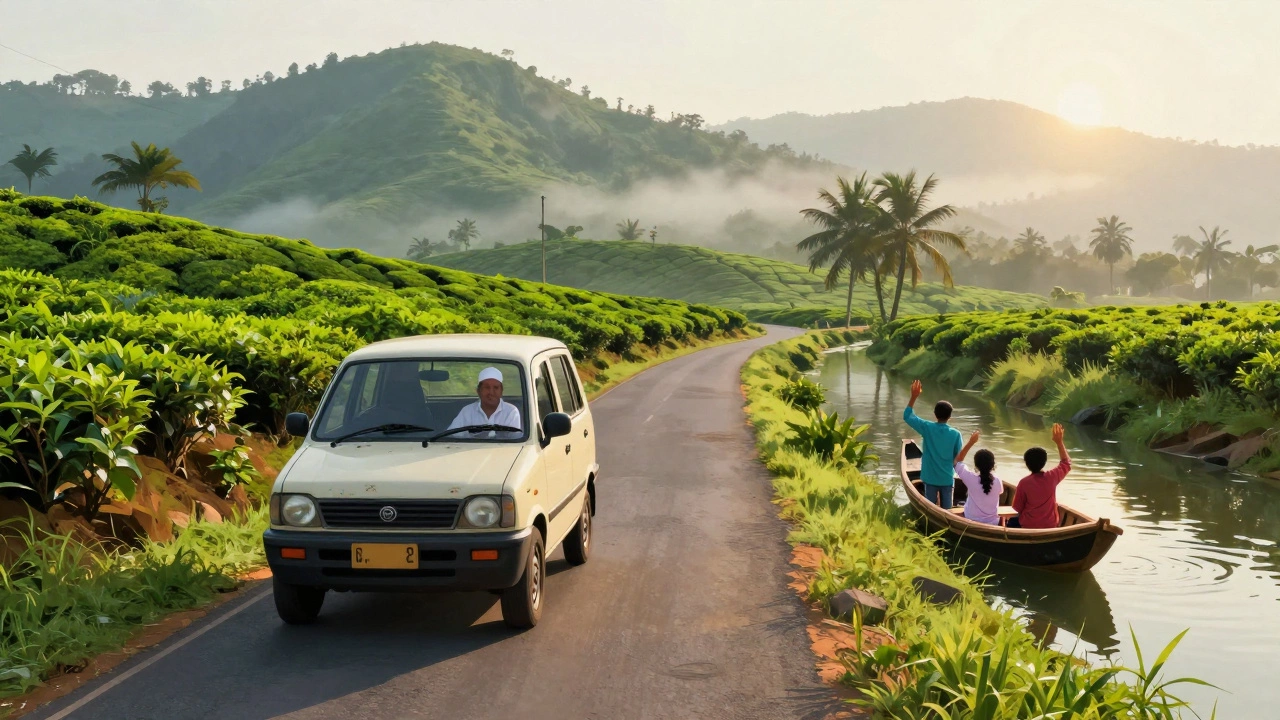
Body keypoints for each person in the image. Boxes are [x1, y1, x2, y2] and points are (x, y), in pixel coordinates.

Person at [903, 379, 963, 509]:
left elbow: (907, 416)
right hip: (947, 478)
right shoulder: (956, 434)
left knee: (930, 508)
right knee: (947, 511)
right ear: (950, 417)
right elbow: (957, 459)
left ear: (935, 414)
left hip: (929, 478)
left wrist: (913, 397)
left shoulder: (927, 427)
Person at [1009, 423, 1071, 529]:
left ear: (1027, 464)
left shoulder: (1024, 483)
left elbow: (1016, 507)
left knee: (1010, 522)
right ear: (1044, 462)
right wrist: (1059, 442)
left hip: (1028, 525)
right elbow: (1066, 463)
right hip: (1050, 524)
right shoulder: (1052, 477)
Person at [448, 367, 522, 438]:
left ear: (501, 391)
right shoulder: (467, 411)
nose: (491, 392)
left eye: (496, 388)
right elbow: (451, 436)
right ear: (478, 391)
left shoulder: (511, 411)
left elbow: (515, 441)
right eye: (487, 387)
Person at [953, 430, 1001, 525]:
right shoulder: (997, 480)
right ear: (992, 465)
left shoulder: (970, 478)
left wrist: (971, 442)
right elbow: (1000, 492)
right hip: (994, 523)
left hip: (971, 520)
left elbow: (957, 460)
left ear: (976, 465)